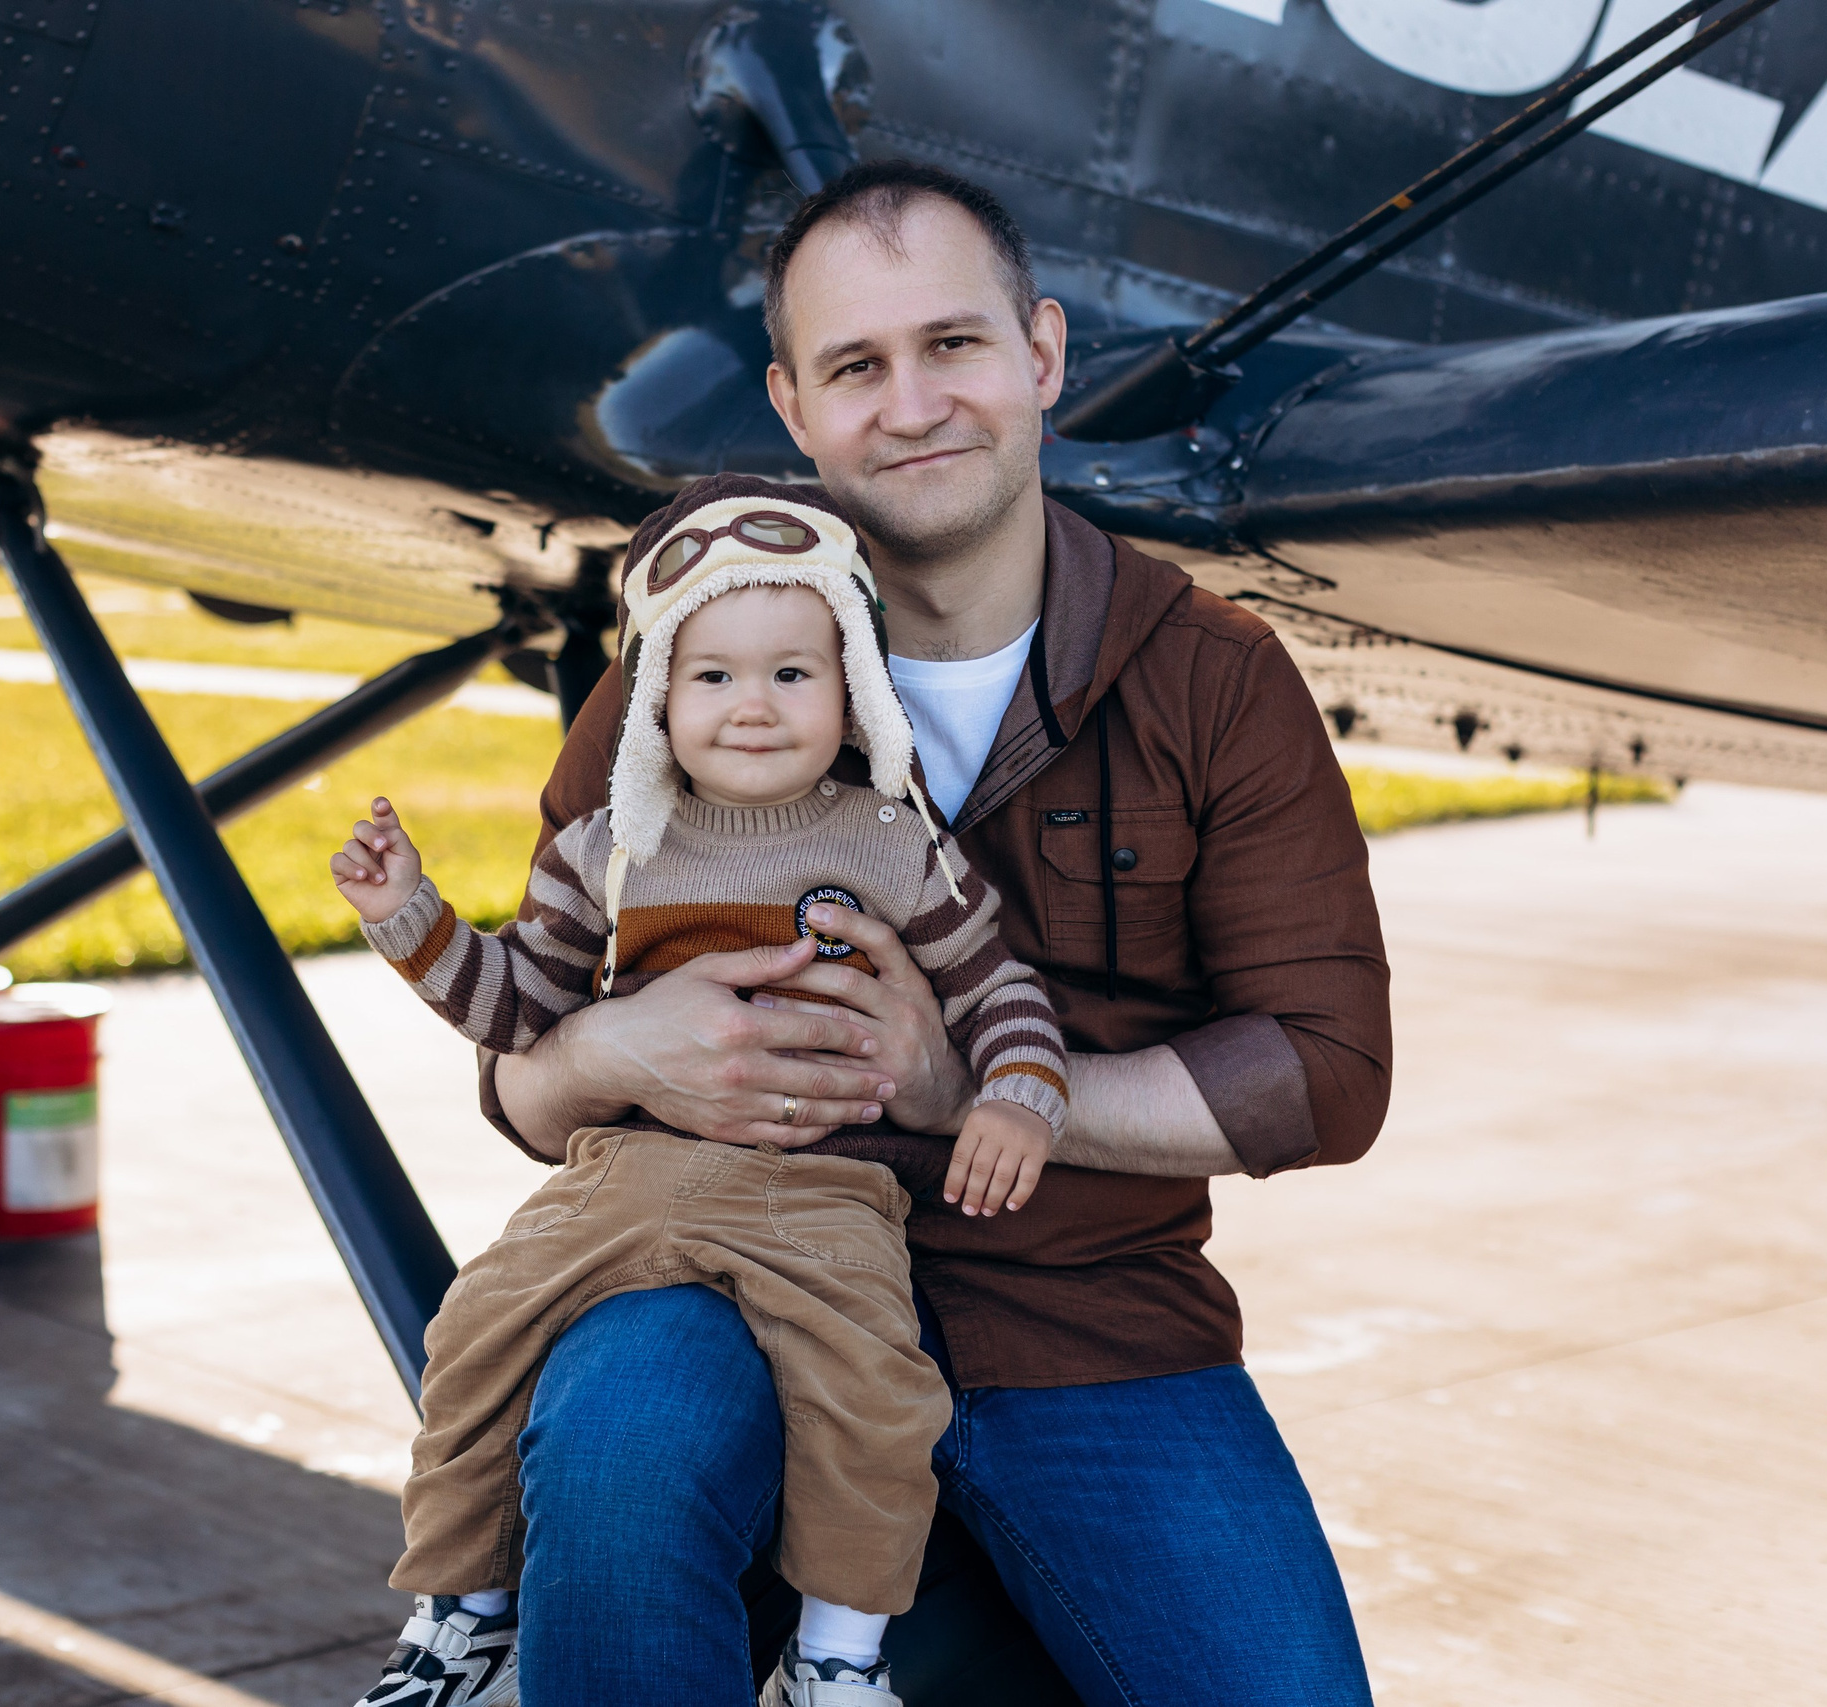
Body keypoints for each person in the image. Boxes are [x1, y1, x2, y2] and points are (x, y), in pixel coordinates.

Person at [478, 159, 1393, 1707]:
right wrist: (605, 1049)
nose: (912, 406)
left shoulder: (1215, 674)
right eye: (856, 366)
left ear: (1042, 353)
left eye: (953, 344)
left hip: (1083, 1308)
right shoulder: (690, 666)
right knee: (619, 1472)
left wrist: (981, 1090)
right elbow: (515, 1081)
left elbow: (1328, 1075)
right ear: (793, 407)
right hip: (718, 1265)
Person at [332, 493, 1073, 1707]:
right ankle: (462, 1615)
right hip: (622, 1178)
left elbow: (1003, 992)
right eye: (712, 675)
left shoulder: (895, 843)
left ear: (854, 688)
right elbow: (519, 1009)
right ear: (657, 700)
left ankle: (837, 1657)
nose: (753, 705)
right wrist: (406, 915)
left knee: (875, 1398)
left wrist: (1018, 1097)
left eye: (793, 672)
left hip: (821, 1193)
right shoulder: (608, 850)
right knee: (474, 1339)